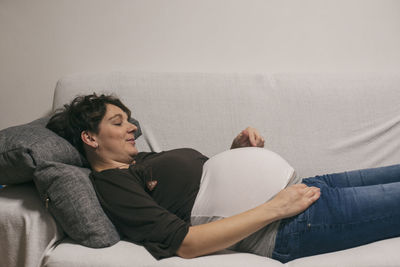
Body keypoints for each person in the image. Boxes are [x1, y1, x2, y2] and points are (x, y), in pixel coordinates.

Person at [46, 93, 400, 263]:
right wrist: (275, 208)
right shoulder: (111, 185)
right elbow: (186, 242)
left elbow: (203, 185)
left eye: (128, 119)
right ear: (90, 138)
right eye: (118, 122)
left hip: (304, 189)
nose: (133, 127)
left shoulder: (140, 162)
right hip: (291, 224)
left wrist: (236, 150)